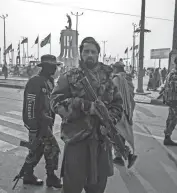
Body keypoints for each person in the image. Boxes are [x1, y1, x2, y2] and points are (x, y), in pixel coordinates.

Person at [50, 37, 123, 193]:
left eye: (93, 52)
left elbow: (118, 104)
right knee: (72, 188)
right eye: (86, 51)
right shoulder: (70, 76)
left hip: (102, 142)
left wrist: (110, 118)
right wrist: (85, 106)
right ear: (81, 54)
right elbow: (55, 102)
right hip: (77, 141)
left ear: (98, 54)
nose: (90, 55)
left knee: (97, 188)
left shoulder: (108, 78)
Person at [21, 54, 62, 188]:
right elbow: (30, 105)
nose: (54, 69)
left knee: (37, 151)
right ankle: (50, 177)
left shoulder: (49, 82)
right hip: (38, 125)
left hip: (46, 124)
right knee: (53, 149)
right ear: (44, 67)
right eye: (51, 67)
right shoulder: (35, 81)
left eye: (54, 67)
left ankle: (27, 175)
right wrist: (32, 127)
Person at [112, 61, 137, 168]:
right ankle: (121, 156)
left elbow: (113, 95)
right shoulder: (128, 79)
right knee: (120, 133)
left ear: (116, 69)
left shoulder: (116, 79)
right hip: (128, 110)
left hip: (118, 110)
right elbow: (131, 96)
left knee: (114, 134)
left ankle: (124, 155)